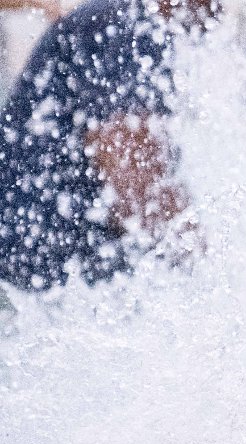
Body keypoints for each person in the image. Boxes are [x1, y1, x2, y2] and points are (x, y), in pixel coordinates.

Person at [0, 0, 219, 291]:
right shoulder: (122, 23)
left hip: (46, 277)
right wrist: (211, 272)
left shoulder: (134, 25)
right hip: (34, 280)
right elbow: (133, 180)